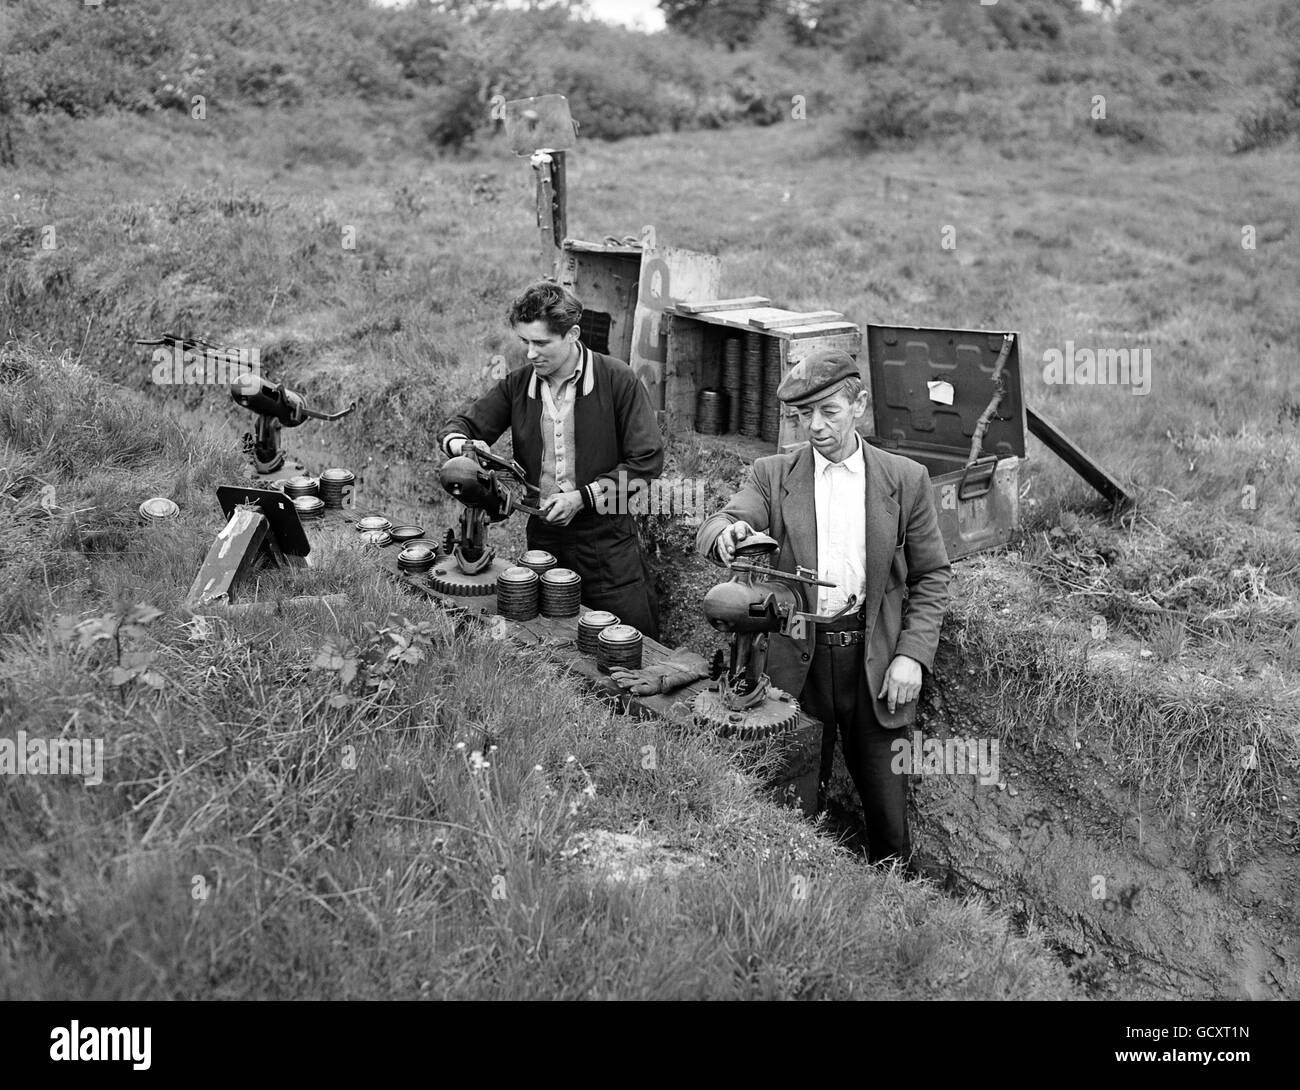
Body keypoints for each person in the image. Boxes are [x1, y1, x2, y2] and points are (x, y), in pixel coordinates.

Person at [696, 348, 951, 865]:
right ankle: (794, 899)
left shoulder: (906, 480)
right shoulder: (772, 474)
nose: (813, 427)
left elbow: (932, 575)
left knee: (887, 819)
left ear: (858, 407)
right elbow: (723, 519)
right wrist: (729, 533)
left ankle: (893, 909)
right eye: (801, 415)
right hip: (795, 665)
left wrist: (911, 655)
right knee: (790, 804)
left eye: (827, 412)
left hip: (872, 665)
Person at [440, 281, 664, 638]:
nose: (530, 353)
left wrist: (582, 497)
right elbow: (461, 425)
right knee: (551, 642)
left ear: (572, 334)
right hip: (544, 542)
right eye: (525, 342)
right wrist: (462, 446)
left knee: (629, 646)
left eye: (541, 343)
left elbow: (646, 462)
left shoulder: (617, 380)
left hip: (607, 545)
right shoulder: (518, 385)